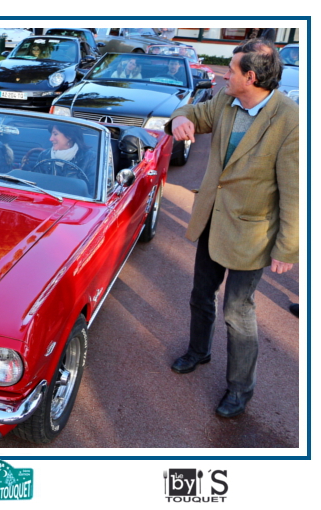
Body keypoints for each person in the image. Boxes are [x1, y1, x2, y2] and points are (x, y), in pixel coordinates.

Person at [167, 39, 298, 418]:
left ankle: (240, 390)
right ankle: (199, 351)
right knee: (200, 295)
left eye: (232, 69)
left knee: (237, 312)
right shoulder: (225, 101)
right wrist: (179, 119)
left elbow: (294, 192)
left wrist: (287, 248)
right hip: (212, 218)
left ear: (251, 77)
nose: (225, 75)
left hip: (253, 233)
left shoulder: (290, 121)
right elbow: (191, 110)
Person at [33, 123, 97, 194]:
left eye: (55, 134)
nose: (51, 139)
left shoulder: (90, 158)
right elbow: (35, 185)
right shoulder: (44, 155)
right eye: (51, 134)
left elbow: (93, 191)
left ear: (69, 136)